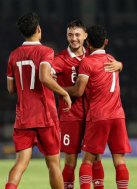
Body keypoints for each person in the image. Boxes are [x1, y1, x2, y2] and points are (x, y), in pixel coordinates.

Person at [52, 20, 123, 189]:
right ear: (66, 36)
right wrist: (59, 90)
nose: (74, 39)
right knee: (70, 161)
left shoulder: (90, 54)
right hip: (71, 116)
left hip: (92, 115)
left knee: (95, 158)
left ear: (85, 36)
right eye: (70, 35)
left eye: (77, 35)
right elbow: (46, 76)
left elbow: (110, 63)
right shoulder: (60, 58)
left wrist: (120, 65)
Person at [5, 12, 72, 189]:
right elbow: (44, 77)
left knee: (20, 164)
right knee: (54, 165)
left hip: (24, 117)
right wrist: (64, 93)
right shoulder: (46, 51)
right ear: (38, 30)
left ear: (22, 33)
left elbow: (11, 89)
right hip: (45, 116)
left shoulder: (13, 55)